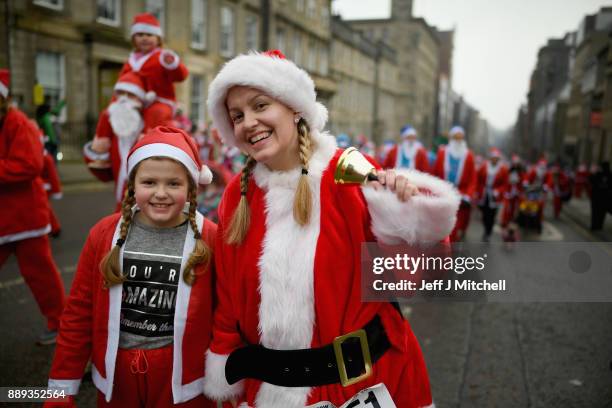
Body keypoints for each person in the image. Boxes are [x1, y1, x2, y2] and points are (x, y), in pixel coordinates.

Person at [202, 50, 459, 407]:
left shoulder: (349, 175)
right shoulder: (237, 195)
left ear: (294, 108)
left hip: (361, 386)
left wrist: (406, 215)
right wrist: (226, 368)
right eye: (237, 115)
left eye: (260, 106)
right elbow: (228, 298)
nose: (248, 123)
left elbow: (414, 278)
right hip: (269, 391)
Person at [47, 127, 216, 407]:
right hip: (117, 382)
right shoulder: (103, 234)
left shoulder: (210, 238)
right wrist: (59, 390)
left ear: (190, 186)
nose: (160, 193)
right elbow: (78, 314)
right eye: (149, 182)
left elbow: (226, 317)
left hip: (185, 386)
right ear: (132, 184)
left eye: (173, 184)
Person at [0, 69, 66, 345]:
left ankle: (61, 324)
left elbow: (29, 165)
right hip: (6, 218)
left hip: (25, 218)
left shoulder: (19, 124)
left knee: (40, 275)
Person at [84, 72, 149, 209]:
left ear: (140, 99)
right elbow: (104, 174)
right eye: (120, 93)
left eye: (130, 94)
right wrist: (96, 151)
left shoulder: (149, 127)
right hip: (121, 205)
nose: (124, 99)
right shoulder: (113, 129)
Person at [120, 13, 189, 130]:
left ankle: (158, 141)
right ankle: (103, 144)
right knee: (112, 115)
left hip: (159, 101)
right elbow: (121, 84)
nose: (144, 38)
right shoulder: (130, 61)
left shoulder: (162, 57)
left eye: (149, 34)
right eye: (140, 35)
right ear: (133, 38)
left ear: (158, 39)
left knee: (157, 114)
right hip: (134, 102)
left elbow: (181, 76)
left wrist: (172, 64)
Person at [432, 126, 477, 242]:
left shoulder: (469, 155)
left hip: (460, 195)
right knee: (440, 223)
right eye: (455, 138)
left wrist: (468, 194)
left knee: (455, 225)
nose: (457, 140)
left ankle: (451, 248)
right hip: (443, 193)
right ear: (451, 138)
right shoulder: (442, 153)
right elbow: (435, 173)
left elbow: (473, 178)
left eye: (460, 138)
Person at [474, 147, 509, 241]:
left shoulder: (503, 169)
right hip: (484, 194)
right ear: (490, 158)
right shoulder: (484, 166)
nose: (494, 160)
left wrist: (498, 191)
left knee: (492, 215)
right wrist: (477, 190)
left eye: (496, 158)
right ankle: (486, 228)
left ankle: (488, 232)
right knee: (484, 214)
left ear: (498, 159)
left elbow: (505, 184)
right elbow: (478, 179)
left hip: (495, 196)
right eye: (493, 158)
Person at [36, 97, 65, 163]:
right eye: (50, 108)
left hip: (49, 141)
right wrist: (53, 140)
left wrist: (62, 103)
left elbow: (56, 110)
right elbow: (49, 130)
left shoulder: (45, 116)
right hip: (50, 141)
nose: (51, 109)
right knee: (51, 157)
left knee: (52, 156)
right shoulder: (46, 117)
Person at [589, 161, 612, 230]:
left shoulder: (598, 174)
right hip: (606, 198)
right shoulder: (610, 175)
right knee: (602, 213)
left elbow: (590, 180)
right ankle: (599, 226)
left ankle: (594, 225)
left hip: (596, 197)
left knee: (595, 213)